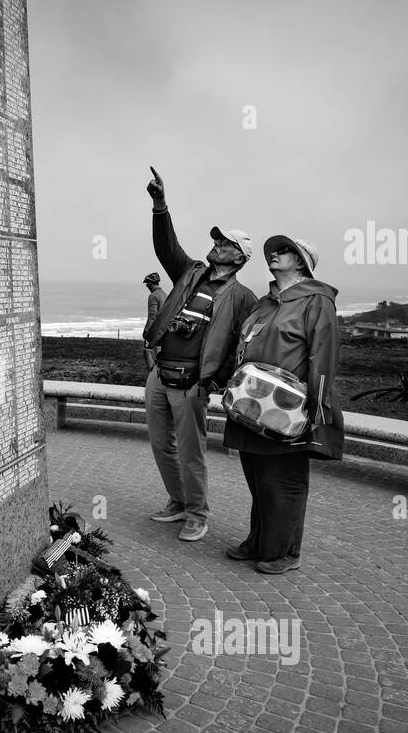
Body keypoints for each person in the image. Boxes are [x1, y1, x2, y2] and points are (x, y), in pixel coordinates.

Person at [143, 165, 258, 542]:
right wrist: (161, 205)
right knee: (162, 445)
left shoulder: (242, 298)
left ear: (239, 258)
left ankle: (197, 513)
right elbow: (166, 247)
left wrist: (213, 382)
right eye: (217, 241)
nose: (217, 245)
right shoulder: (191, 273)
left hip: (192, 383)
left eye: (226, 244)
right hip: (160, 374)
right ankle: (178, 502)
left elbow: (242, 347)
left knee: (192, 453)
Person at [224, 235, 344, 574]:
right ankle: (260, 541)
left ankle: (285, 552)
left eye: (286, 250)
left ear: (302, 261)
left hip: (289, 410)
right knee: (259, 479)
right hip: (253, 406)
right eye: (274, 251)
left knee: (284, 483)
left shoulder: (316, 301)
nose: (275, 254)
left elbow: (324, 357)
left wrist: (315, 411)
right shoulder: (265, 302)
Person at [142, 272, 168, 342]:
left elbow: (152, 316)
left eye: (147, 283)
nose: (146, 286)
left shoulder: (153, 296)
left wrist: (146, 330)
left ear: (150, 283)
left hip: (155, 332)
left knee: (148, 351)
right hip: (164, 331)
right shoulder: (165, 294)